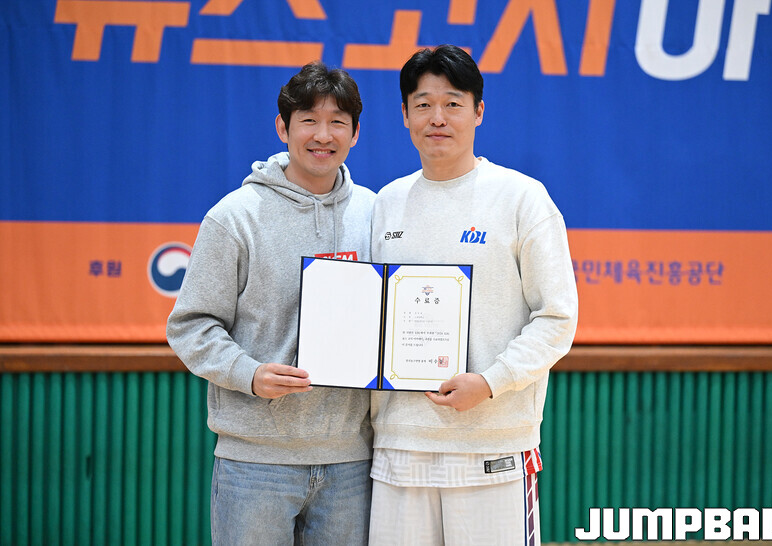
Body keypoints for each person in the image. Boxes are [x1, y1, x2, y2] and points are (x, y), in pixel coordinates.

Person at [368, 45, 579, 544]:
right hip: (399, 447)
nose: (437, 118)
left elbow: (557, 318)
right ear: (404, 114)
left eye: (453, 103)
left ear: (479, 111)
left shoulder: (522, 197)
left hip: (493, 446)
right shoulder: (386, 203)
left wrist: (489, 382)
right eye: (423, 104)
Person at [166, 61, 375, 545]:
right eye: (309, 120)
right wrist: (251, 374)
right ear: (283, 127)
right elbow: (191, 325)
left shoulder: (376, 213)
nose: (322, 135)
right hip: (255, 462)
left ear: (355, 133)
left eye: (337, 122)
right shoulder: (234, 217)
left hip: (352, 461)